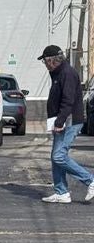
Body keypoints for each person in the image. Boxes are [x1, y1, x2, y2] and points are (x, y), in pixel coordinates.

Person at [39, 44, 94, 203]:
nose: (45, 65)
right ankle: (61, 192)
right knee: (55, 156)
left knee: (59, 156)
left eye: (45, 61)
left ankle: (90, 180)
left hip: (69, 122)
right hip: (61, 121)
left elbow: (68, 101)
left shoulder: (67, 73)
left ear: (51, 61)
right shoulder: (57, 73)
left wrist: (60, 121)